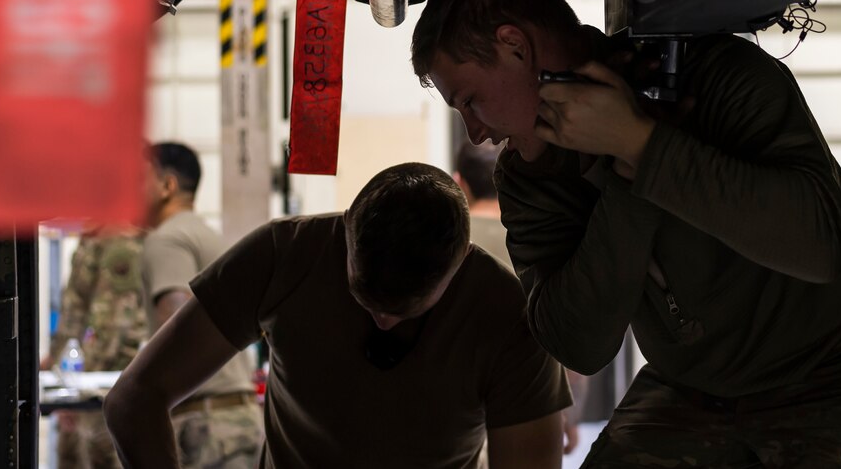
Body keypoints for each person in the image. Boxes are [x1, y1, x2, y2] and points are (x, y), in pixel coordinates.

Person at [411, 0, 841, 467]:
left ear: (514, 47)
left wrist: (647, 144)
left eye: (469, 101)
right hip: (701, 382)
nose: (475, 131)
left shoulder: (716, 77)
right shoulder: (531, 176)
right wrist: (631, 161)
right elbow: (578, 343)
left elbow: (822, 248)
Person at [105, 161, 572, 468]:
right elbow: (135, 399)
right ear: (345, 226)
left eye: (404, 310)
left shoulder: (506, 314)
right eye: (364, 300)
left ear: (460, 263)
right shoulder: (283, 255)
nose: (383, 323)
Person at [453, 141, 589, 457]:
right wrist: (567, 415)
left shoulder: (450, 243)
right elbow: (568, 338)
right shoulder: (537, 238)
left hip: (460, 415)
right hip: (531, 408)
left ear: (460, 183)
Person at [139, 142, 262, 468]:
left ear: (168, 186)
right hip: (238, 420)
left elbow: (177, 327)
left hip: (205, 426)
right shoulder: (210, 238)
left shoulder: (166, 239)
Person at [41, 222, 147, 469]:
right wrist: (55, 368)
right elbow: (74, 318)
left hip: (101, 391)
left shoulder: (119, 241)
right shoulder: (93, 237)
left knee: (101, 457)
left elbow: (111, 330)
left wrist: (74, 396)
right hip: (79, 383)